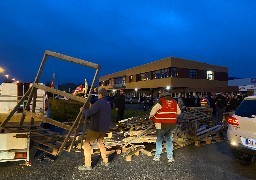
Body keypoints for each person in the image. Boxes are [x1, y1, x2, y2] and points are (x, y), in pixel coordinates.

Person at [78, 88, 111, 171]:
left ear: (100, 94)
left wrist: (83, 110)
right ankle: (105, 161)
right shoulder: (108, 103)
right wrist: (92, 106)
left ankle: (87, 165)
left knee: (87, 144)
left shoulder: (99, 102)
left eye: (98, 94)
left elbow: (89, 113)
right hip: (104, 128)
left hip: (96, 128)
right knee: (101, 143)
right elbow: (100, 110)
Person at [149, 90, 181, 163]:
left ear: (163, 95)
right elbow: (179, 112)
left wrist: (151, 117)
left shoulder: (160, 101)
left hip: (161, 124)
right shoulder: (174, 102)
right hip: (171, 124)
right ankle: (170, 157)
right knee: (169, 140)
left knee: (159, 140)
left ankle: (157, 156)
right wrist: (171, 116)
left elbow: (153, 111)